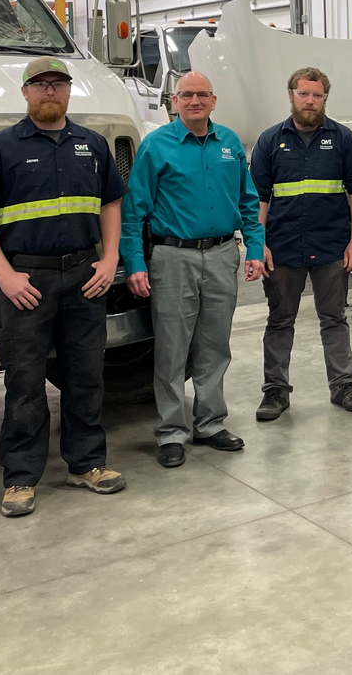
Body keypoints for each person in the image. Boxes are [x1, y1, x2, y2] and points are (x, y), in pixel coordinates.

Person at [0, 57, 127, 517]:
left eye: (58, 85)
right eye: (40, 85)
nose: (49, 92)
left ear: (68, 92)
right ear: (25, 93)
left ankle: (87, 464)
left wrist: (110, 258)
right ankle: (20, 477)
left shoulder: (93, 145)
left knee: (86, 375)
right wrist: (3, 274)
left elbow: (110, 203)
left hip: (84, 276)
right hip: (26, 280)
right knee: (23, 380)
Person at [121, 71, 265, 469]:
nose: (195, 101)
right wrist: (134, 262)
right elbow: (133, 213)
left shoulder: (230, 143)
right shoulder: (156, 146)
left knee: (215, 346)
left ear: (214, 101)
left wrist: (255, 247)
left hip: (222, 254)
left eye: (202, 95)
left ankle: (210, 423)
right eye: (187, 95)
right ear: (174, 101)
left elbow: (248, 201)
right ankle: (170, 432)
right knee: (171, 348)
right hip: (173, 258)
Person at [250, 67, 352, 422]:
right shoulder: (270, 141)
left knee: (334, 318)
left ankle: (343, 384)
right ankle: (275, 390)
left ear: (324, 99)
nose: (310, 101)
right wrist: (259, 244)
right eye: (303, 93)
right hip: (283, 247)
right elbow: (257, 198)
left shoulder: (344, 139)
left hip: (331, 246)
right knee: (280, 320)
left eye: (317, 95)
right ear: (290, 95)